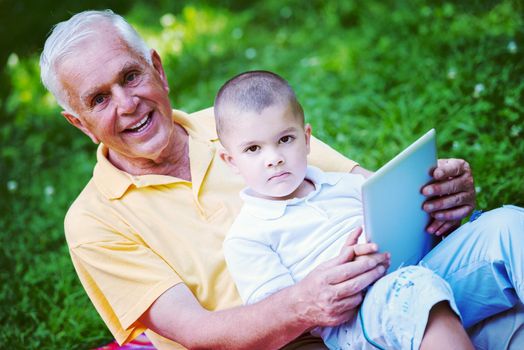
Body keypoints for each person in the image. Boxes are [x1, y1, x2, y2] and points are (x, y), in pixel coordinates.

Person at [38, 9, 523, 349]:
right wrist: (304, 305)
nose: (126, 104)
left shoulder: (246, 120)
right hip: (311, 337)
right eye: (98, 99)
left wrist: (434, 195)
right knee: (433, 308)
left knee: (509, 239)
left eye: (130, 76)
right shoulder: (93, 222)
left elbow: (371, 190)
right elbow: (196, 333)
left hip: (389, 285)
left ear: (157, 70)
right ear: (78, 122)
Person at [215, 70, 474, 349]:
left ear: (307, 138)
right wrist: (342, 276)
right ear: (230, 161)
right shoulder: (246, 237)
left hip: (413, 266)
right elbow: (282, 316)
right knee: (415, 287)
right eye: (253, 149)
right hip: (352, 321)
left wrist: (430, 211)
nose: (274, 159)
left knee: (505, 224)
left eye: (285, 140)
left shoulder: (349, 184)